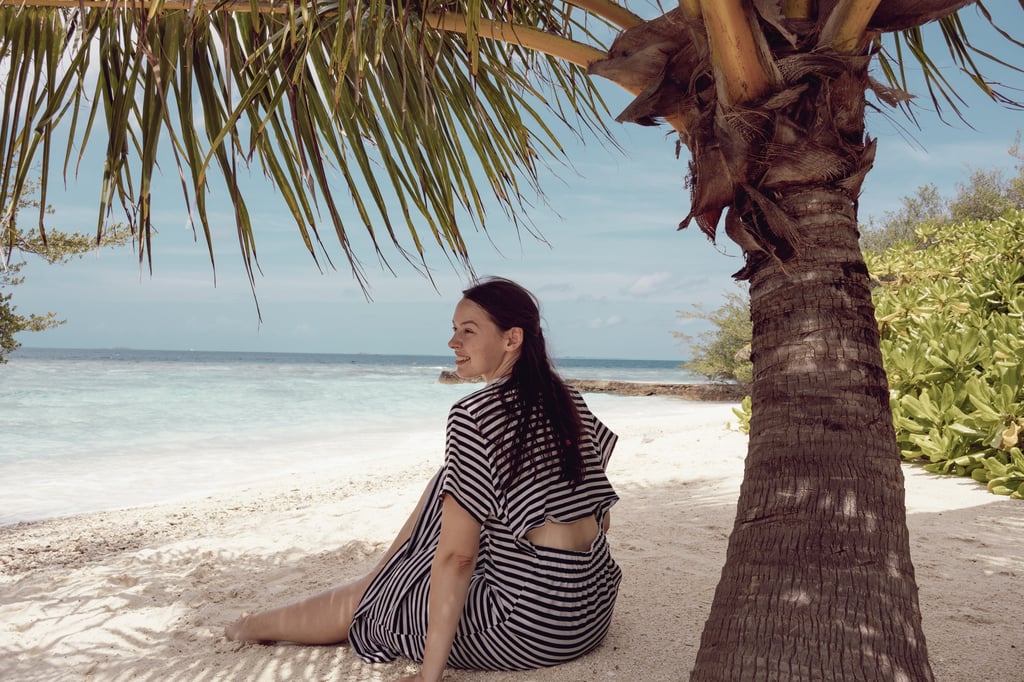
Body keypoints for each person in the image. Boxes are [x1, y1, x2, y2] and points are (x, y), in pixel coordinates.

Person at [225, 277, 621, 682]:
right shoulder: (565, 399)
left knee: (373, 602)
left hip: (528, 626)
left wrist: (429, 676)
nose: (454, 343)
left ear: (511, 338)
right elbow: (599, 518)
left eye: (468, 331)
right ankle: (385, 575)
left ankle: (255, 626)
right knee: (448, 478)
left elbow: (457, 558)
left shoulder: (473, 415)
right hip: (591, 607)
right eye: (453, 330)